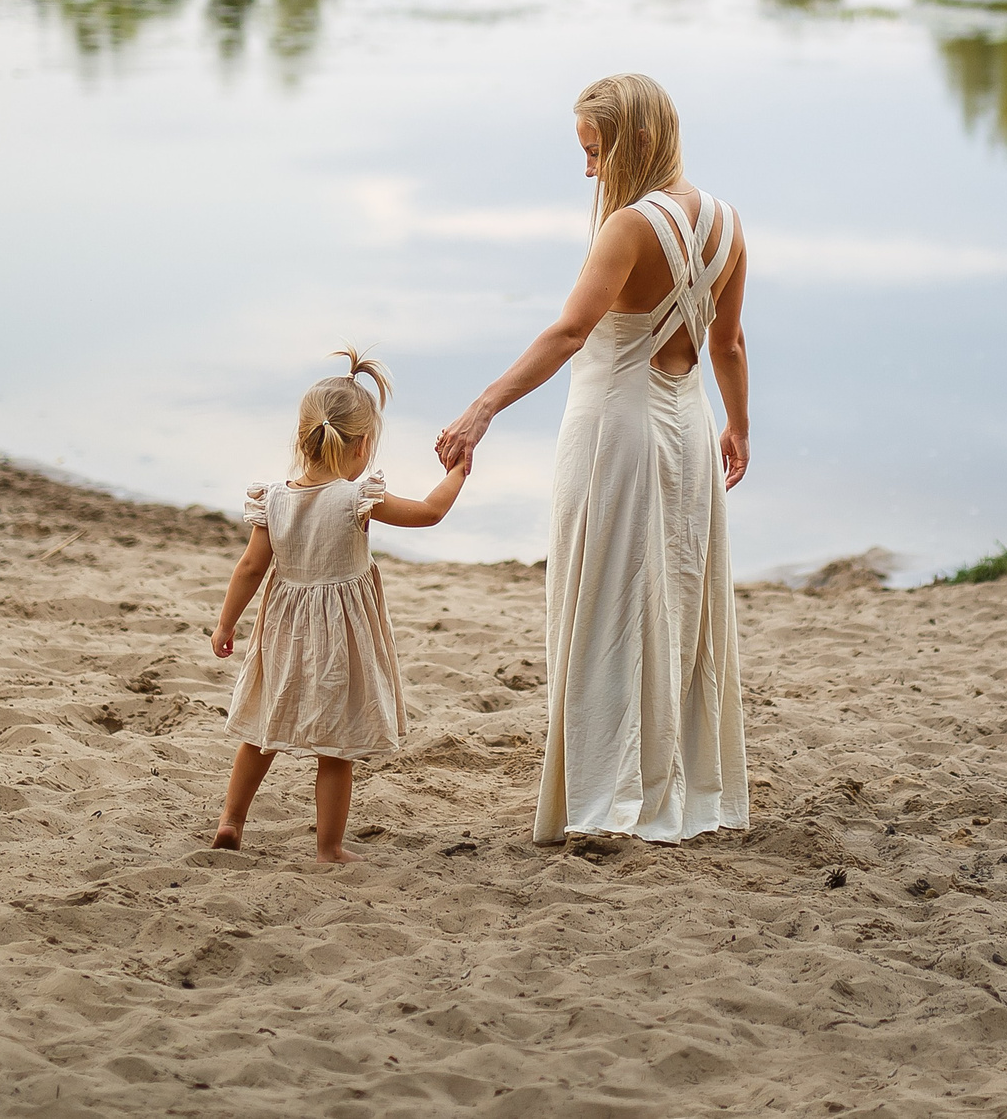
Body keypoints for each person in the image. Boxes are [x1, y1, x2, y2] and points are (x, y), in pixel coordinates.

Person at [435, 73, 750, 846]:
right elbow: (729, 343)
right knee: (677, 607)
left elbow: (570, 332)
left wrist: (482, 408)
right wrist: (739, 425)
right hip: (689, 429)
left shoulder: (629, 228)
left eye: (595, 150)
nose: (588, 169)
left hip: (615, 432)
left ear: (638, 139)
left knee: (605, 606)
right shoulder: (728, 222)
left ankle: (605, 792)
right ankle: (667, 783)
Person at [210, 349, 470, 862]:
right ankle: (329, 848)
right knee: (335, 745)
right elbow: (428, 512)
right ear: (363, 446)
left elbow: (250, 569)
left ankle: (231, 821)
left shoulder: (274, 500)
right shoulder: (357, 499)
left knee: (262, 730)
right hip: (340, 638)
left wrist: (225, 624)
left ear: (301, 437)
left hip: (283, 631)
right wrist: (458, 471)